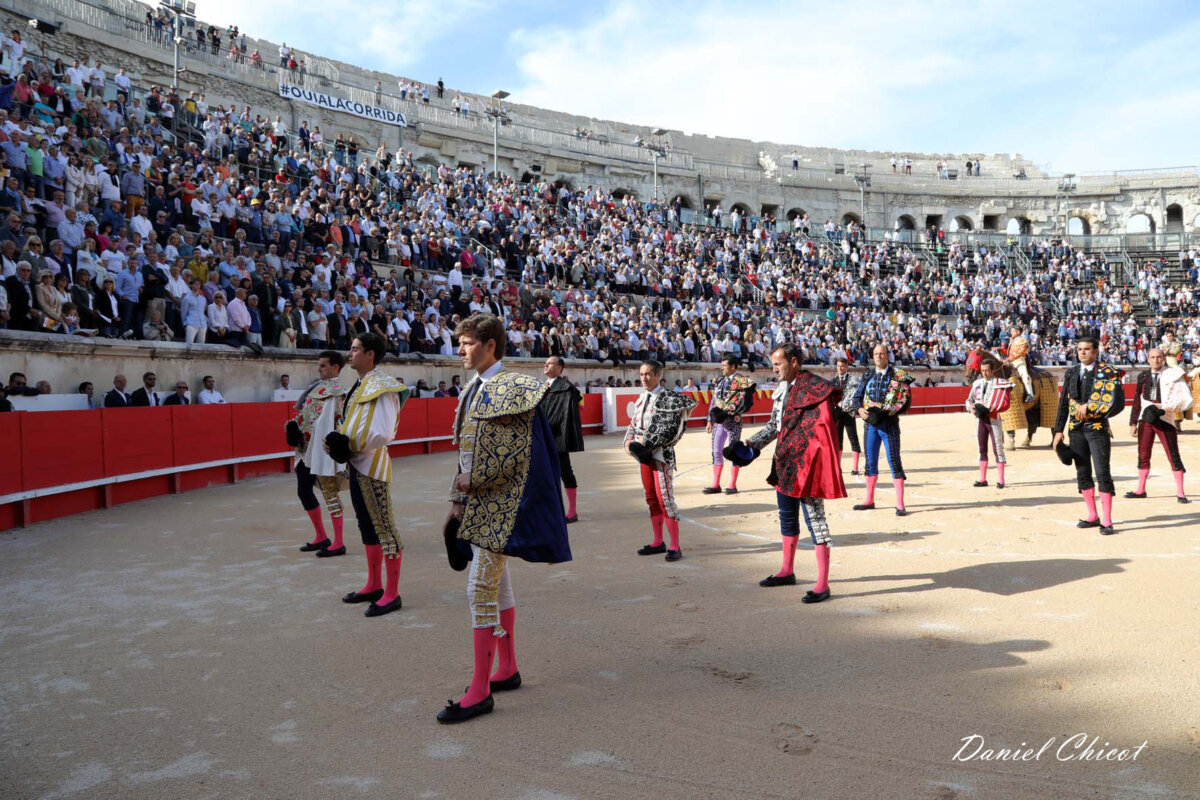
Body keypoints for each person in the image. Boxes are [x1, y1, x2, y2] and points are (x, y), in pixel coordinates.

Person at [438, 313, 571, 724]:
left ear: (490, 345)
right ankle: (507, 667)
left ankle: (480, 691)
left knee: (480, 589)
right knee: (498, 586)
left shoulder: (513, 387)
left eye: (467, 344)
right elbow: (465, 451)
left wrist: (471, 482)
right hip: (478, 504)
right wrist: (456, 500)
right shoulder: (471, 389)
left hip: (501, 504)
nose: (460, 351)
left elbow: (517, 456)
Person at [732, 344, 845, 601]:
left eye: (778, 363)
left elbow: (824, 428)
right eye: (773, 363)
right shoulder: (782, 389)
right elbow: (775, 425)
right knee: (787, 517)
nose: (774, 369)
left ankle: (823, 584)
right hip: (784, 463)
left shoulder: (816, 388)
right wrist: (750, 445)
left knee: (816, 522)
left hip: (807, 465)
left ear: (794, 362)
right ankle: (787, 570)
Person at [324, 333, 410, 618]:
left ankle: (392, 593)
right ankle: (374, 584)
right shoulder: (361, 384)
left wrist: (349, 445)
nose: (349, 354)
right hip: (357, 464)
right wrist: (339, 442)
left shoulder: (382, 385)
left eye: (355, 349)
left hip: (372, 466)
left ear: (370, 354)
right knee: (366, 526)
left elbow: (384, 432)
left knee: (385, 527)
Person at [624, 359, 697, 561]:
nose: (644, 378)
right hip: (643, 455)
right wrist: (629, 443)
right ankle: (658, 541)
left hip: (661, 454)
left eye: (648, 374)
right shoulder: (641, 399)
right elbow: (633, 425)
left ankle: (675, 545)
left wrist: (644, 444)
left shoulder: (671, 398)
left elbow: (672, 430)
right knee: (651, 498)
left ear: (658, 375)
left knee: (665, 499)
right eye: (641, 374)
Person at [1052, 337, 1125, 535]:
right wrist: (1058, 431)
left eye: (1086, 349)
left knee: (1102, 472)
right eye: (1079, 349)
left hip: (1097, 428)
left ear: (1095, 352)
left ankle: (1107, 520)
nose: (1082, 352)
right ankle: (1093, 515)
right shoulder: (1071, 372)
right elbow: (1064, 403)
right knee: (1082, 472)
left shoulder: (1107, 372)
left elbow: (1115, 403)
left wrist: (1091, 408)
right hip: (1075, 429)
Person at [286, 351, 349, 556]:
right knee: (303, 491)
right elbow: (305, 416)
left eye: (323, 365)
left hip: (323, 450)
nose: (319, 369)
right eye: (319, 365)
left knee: (329, 493)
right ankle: (321, 536)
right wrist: (293, 427)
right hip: (305, 449)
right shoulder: (315, 388)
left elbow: (340, 421)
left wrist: (334, 446)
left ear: (335, 367)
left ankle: (338, 542)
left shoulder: (339, 393)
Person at [850, 344, 914, 516]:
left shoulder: (898, 375)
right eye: (876, 354)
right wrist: (860, 409)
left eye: (882, 353)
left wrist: (888, 409)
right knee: (870, 462)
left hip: (889, 424)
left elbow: (906, 402)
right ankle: (869, 500)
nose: (879, 356)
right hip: (870, 425)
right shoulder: (868, 374)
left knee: (894, 461)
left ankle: (900, 504)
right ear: (873, 356)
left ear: (888, 355)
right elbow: (856, 397)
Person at [1126, 348, 1189, 503]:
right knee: (1143, 453)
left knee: (1173, 454)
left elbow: (1181, 396)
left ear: (1164, 359)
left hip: (1165, 417)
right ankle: (1141, 489)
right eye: (1153, 357)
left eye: (1159, 357)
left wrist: (1165, 407)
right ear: (1148, 359)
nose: (1156, 360)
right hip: (1146, 418)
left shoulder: (1173, 374)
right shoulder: (1143, 376)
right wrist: (1133, 422)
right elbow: (1137, 399)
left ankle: (1181, 492)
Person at [539, 355, 585, 522]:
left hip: (557, 437)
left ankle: (572, 511)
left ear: (559, 368)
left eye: (550, 363)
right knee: (544, 474)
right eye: (545, 363)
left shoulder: (566, 387)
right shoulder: (541, 387)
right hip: (542, 437)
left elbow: (567, 412)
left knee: (565, 472)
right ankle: (550, 510)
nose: (546, 365)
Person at [703, 356, 756, 495]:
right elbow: (714, 401)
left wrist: (730, 411)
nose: (722, 368)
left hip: (734, 421)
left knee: (734, 452)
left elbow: (746, 402)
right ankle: (716, 485)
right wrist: (709, 420)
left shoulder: (742, 381)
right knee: (716, 451)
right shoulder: (720, 381)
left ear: (733, 367)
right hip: (719, 422)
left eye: (724, 365)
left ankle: (732, 485)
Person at [965, 358, 1013, 488]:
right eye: (982, 371)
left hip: (994, 419)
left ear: (992, 370)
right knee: (982, 449)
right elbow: (969, 400)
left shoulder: (1000, 383)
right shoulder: (977, 383)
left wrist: (990, 408)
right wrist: (970, 407)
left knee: (998, 449)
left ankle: (1001, 480)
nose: (984, 373)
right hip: (980, 420)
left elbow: (1005, 403)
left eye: (987, 370)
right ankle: (983, 479)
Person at [830, 356, 862, 474]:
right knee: (838, 441)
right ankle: (838, 467)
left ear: (847, 367)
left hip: (849, 414)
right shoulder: (833, 382)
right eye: (838, 366)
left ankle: (855, 468)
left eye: (842, 366)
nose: (840, 368)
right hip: (837, 415)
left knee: (853, 439)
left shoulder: (854, 380)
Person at [1005, 326, 1035, 402]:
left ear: (1018, 332)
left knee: (1024, 375)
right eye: (1011, 331)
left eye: (1013, 331)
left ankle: (1030, 394)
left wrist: (1009, 358)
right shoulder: (1013, 340)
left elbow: (1021, 351)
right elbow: (1009, 353)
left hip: (1019, 361)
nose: (1011, 333)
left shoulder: (1022, 340)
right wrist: (1001, 350)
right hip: (1011, 361)